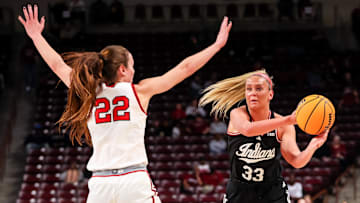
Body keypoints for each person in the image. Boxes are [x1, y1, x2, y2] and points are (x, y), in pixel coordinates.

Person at [18, 4, 232, 203]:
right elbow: (185, 68)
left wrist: (36, 36)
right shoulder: (139, 91)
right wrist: (216, 46)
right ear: (122, 69)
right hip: (133, 178)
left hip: (101, 183)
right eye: (132, 66)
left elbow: (57, 65)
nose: (134, 70)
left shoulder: (88, 92)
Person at [199, 69, 329, 203]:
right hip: (240, 192)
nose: (252, 93)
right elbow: (248, 129)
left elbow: (296, 161)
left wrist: (313, 145)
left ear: (270, 94)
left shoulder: (284, 125)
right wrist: (288, 119)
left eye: (259, 88)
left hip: (272, 192)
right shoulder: (237, 114)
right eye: (249, 89)